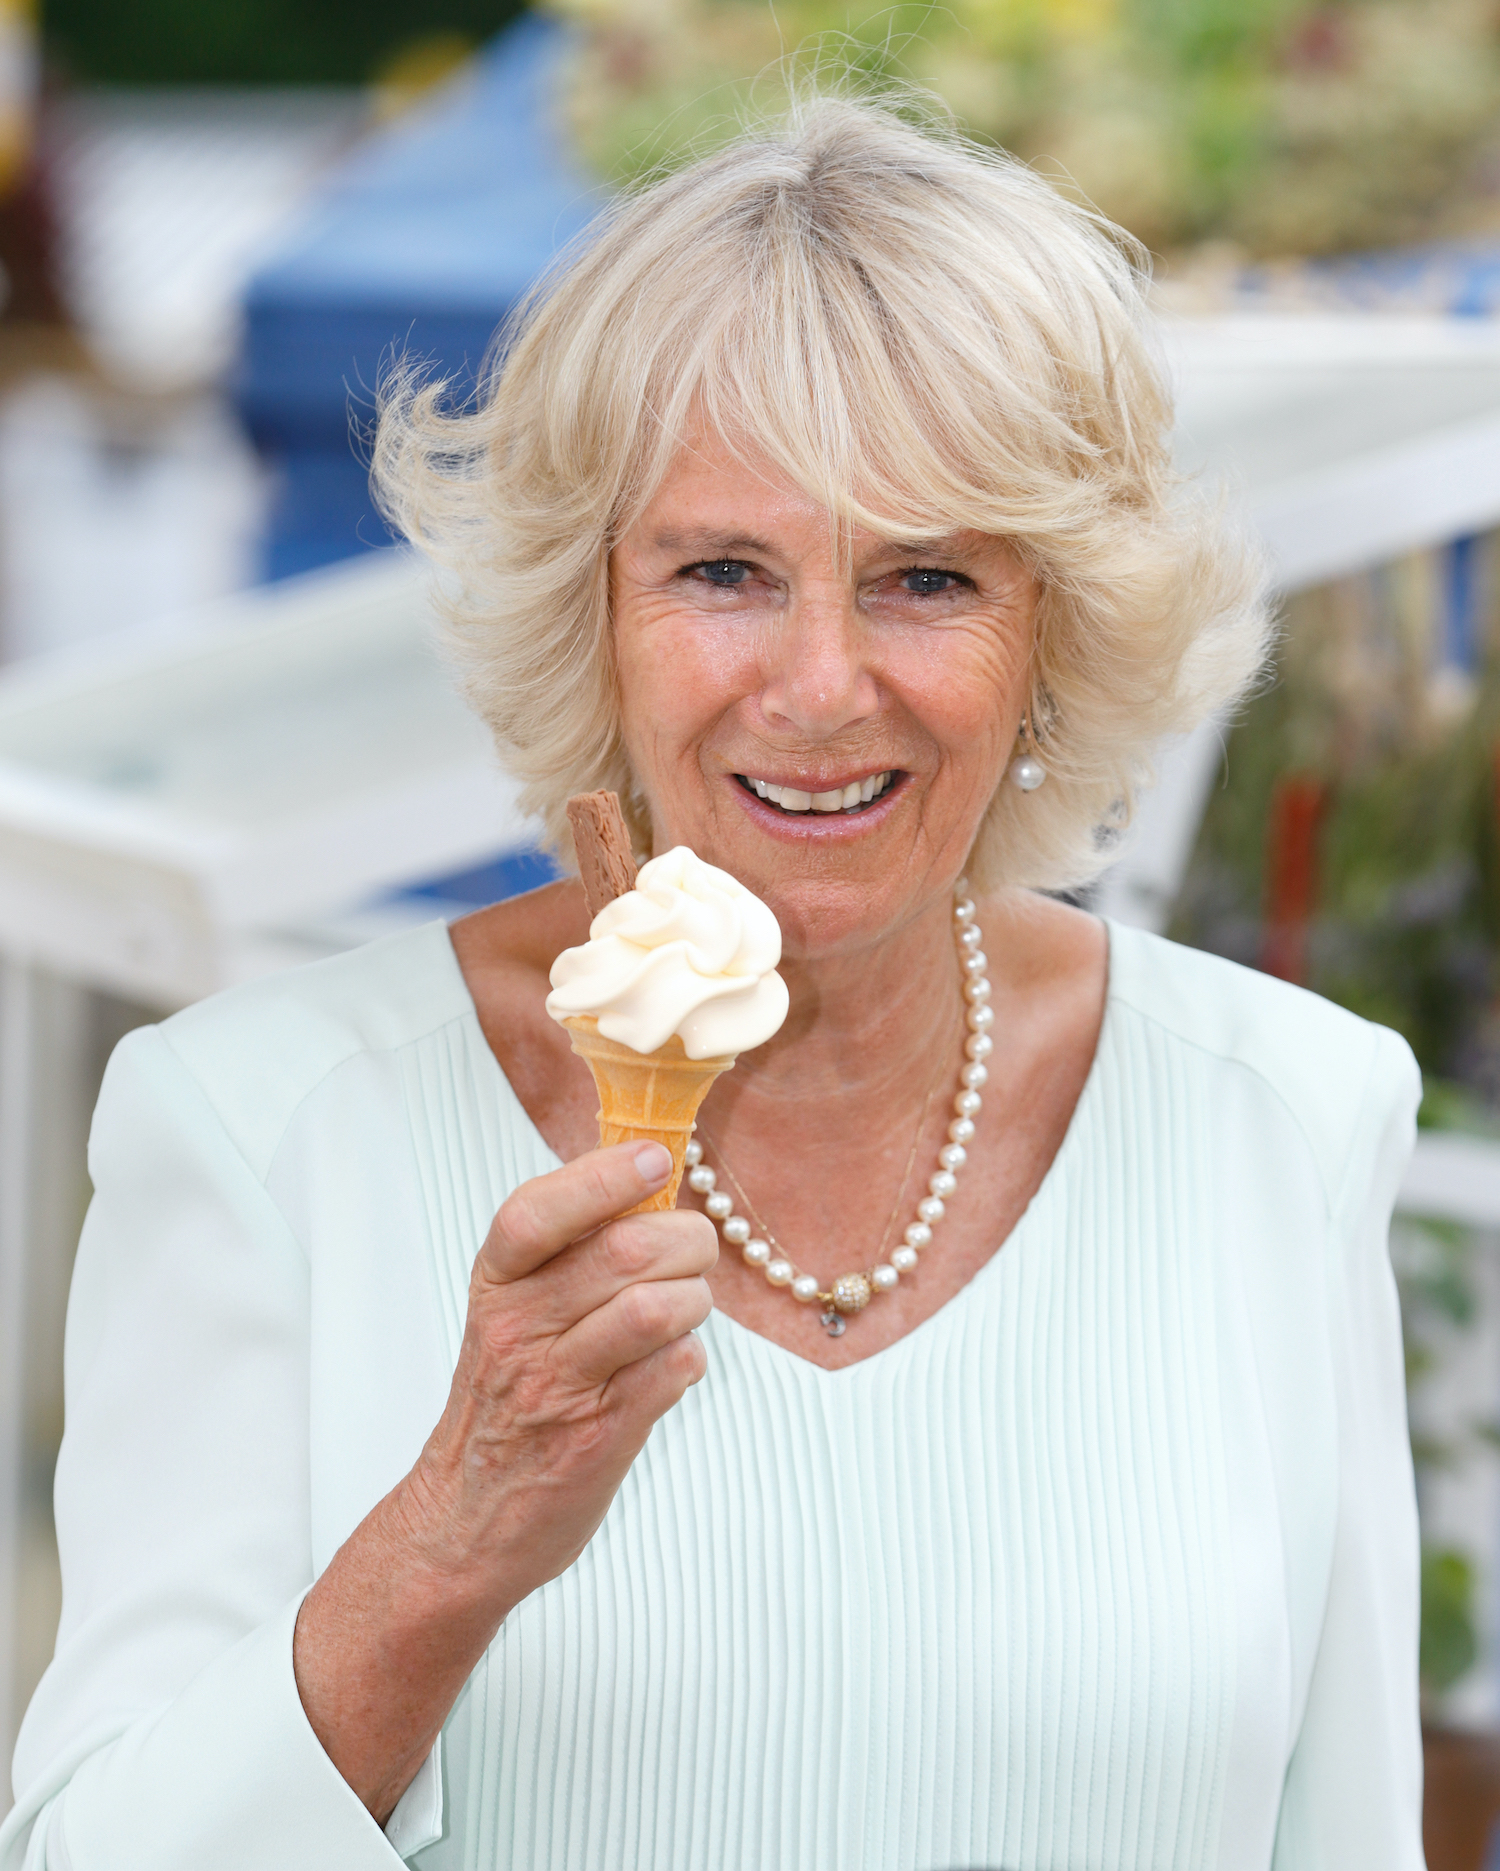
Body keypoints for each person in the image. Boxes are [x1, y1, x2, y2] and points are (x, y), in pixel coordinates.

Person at [1, 90, 1422, 1871]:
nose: (821, 687)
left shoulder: (1286, 1116)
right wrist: (451, 1534)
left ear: (1058, 627)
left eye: (926, 576)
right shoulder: (265, 1132)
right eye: (725, 570)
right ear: (588, 609)